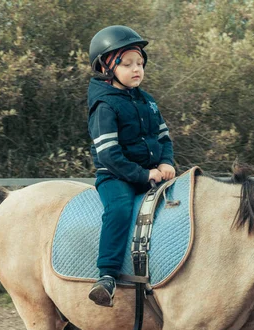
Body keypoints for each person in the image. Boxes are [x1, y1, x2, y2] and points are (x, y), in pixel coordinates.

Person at [86, 25, 176, 307]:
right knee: (120, 208)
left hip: (152, 171)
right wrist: (143, 174)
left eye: (140, 63)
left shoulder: (148, 101)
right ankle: (107, 275)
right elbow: (110, 155)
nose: (137, 69)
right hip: (116, 177)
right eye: (128, 64)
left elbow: (165, 138)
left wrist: (165, 161)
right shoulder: (104, 105)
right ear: (107, 66)